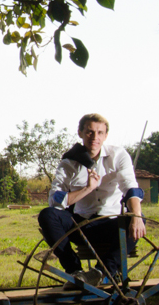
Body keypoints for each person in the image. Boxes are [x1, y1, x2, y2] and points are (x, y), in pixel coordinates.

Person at [38, 113, 145, 283]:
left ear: (106, 135)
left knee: (138, 217)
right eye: (89, 132)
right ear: (80, 133)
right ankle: (75, 271)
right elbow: (55, 200)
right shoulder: (68, 163)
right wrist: (88, 189)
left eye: (100, 132)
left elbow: (130, 188)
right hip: (81, 225)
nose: (95, 137)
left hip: (112, 223)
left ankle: (101, 273)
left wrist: (136, 216)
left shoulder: (118, 155)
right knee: (47, 215)